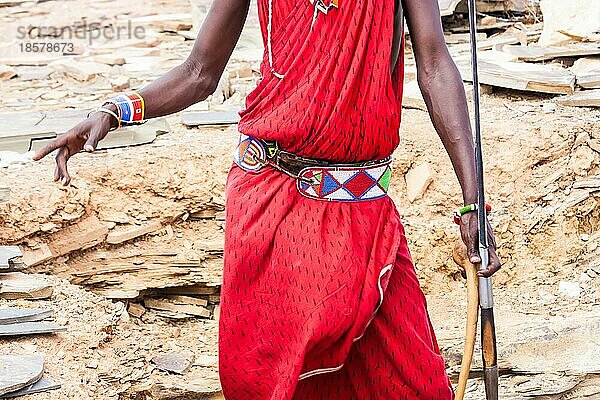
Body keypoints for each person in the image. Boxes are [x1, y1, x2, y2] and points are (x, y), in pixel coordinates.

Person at [34, 0, 502, 398]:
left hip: (362, 209)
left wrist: (473, 199)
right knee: (273, 379)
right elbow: (200, 71)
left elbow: (436, 66)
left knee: (410, 376)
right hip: (272, 205)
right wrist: (115, 110)